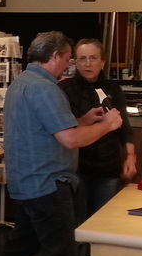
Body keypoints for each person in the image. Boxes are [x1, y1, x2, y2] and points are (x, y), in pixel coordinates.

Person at [0, 31, 123, 256]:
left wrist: (84, 119)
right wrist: (107, 125)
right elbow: (70, 139)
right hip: (47, 184)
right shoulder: (46, 88)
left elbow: (50, 127)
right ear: (54, 57)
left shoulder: (22, 82)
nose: (70, 64)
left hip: (26, 182)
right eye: (68, 58)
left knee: (19, 249)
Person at [58, 38, 136, 224]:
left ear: (103, 62)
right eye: (82, 59)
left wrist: (131, 156)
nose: (87, 64)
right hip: (77, 167)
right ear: (75, 62)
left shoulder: (113, 89)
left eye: (93, 58)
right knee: (77, 221)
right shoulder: (63, 89)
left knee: (102, 221)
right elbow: (62, 130)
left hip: (108, 166)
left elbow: (125, 128)